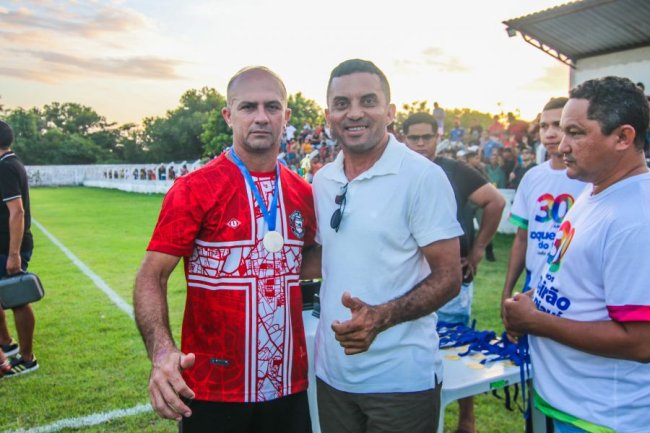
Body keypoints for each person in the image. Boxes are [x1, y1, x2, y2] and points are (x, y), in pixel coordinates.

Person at [134, 66, 317, 433]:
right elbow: (151, 275)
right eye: (248, 107)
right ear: (228, 115)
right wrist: (162, 351)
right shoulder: (194, 188)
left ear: (286, 117)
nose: (261, 117)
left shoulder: (304, 193)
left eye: (272, 107)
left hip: (288, 386)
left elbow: (311, 261)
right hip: (212, 389)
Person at [312, 59, 462, 433]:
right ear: (328, 115)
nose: (354, 113)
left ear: (390, 112)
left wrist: (382, 316)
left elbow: (449, 277)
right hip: (333, 375)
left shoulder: (422, 177)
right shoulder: (323, 180)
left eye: (368, 101)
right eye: (342, 103)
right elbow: (331, 255)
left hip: (400, 381)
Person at [503, 76, 650, 433]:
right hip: (568, 402)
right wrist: (534, 298)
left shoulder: (636, 218)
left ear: (623, 137)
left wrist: (536, 321)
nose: (561, 144)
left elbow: (641, 341)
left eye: (575, 133)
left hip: (602, 418)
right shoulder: (596, 188)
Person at [403, 112, 505, 433]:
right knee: (413, 351)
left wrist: (477, 250)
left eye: (427, 137)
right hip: (408, 278)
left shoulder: (455, 171)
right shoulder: (398, 171)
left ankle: (466, 418)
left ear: (438, 138)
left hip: (450, 277)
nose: (421, 144)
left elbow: (495, 202)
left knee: (456, 348)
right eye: (414, 138)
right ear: (403, 138)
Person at [501, 97, 587, 304]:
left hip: (575, 295)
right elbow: (522, 239)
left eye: (558, 125)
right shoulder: (532, 177)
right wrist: (507, 290)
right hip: (533, 287)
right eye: (543, 126)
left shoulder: (590, 179)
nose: (549, 134)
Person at [0, 120, 38, 376]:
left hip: (9, 247)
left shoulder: (6, 167)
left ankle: (27, 358)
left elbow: (17, 211)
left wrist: (14, 255)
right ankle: (7, 344)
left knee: (18, 300)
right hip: (4, 245)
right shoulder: (8, 163)